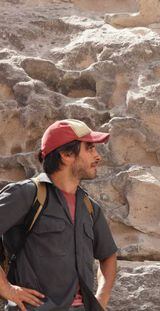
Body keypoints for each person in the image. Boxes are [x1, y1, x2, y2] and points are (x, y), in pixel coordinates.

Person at [0, 119, 118, 311]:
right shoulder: (27, 194)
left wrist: (100, 300)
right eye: (89, 148)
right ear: (66, 154)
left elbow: (108, 256)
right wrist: (7, 289)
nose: (98, 156)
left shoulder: (90, 207)